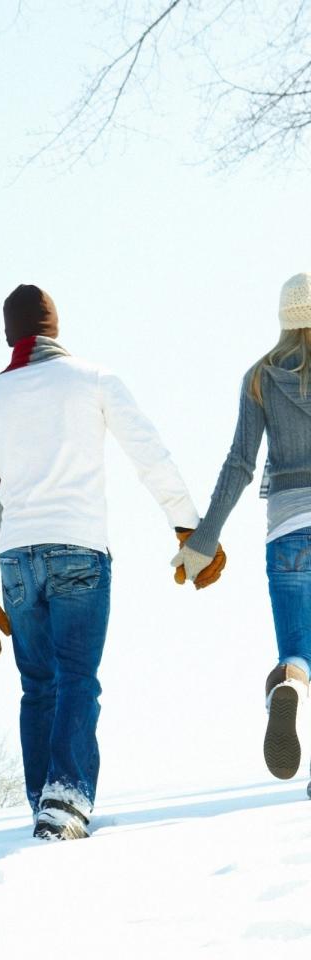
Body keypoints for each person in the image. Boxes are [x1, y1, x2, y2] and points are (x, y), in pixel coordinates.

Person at [0, 284, 224, 841]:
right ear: (54, 327)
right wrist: (187, 526)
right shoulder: (94, 380)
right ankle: (65, 799)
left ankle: (45, 801)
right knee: (77, 679)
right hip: (79, 549)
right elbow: (149, 453)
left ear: (9, 334)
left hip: (17, 560)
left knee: (38, 686)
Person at [172, 272, 311, 782]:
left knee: (298, 651)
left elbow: (240, 464)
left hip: (288, 531)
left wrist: (203, 539)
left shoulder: (259, 377)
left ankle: (289, 685)